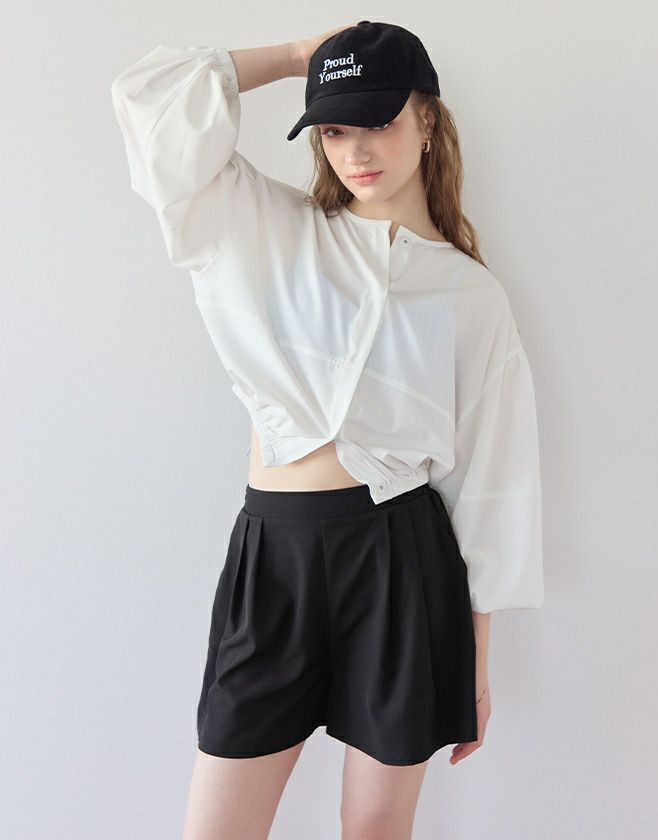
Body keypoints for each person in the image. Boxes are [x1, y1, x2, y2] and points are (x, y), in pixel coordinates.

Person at [110, 20, 544, 840]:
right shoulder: (262, 228)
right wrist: (292, 60)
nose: (356, 150)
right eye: (334, 129)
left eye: (377, 120)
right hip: (274, 562)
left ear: (427, 118)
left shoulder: (471, 296)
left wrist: (476, 664)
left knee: (374, 830)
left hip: (401, 567)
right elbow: (149, 102)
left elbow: (490, 484)